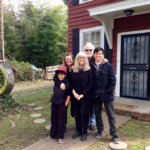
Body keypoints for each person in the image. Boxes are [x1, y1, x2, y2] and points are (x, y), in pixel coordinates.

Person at [91, 47, 119, 144]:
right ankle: (100, 130)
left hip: (107, 95)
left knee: (110, 115)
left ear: (103, 55)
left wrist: (109, 91)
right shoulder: (91, 66)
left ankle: (114, 135)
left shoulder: (108, 65)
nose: (98, 55)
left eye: (100, 53)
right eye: (96, 53)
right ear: (94, 55)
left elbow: (113, 80)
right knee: (98, 114)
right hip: (96, 95)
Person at [71, 52, 93, 141]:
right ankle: (78, 130)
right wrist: (75, 94)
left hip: (85, 96)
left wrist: (82, 94)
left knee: (85, 114)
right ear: (77, 59)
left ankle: (84, 132)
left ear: (85, 60)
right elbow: (71, 83)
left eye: (83, 58)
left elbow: (90, 83)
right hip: (75, 96)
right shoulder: (74, 70)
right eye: (79, 58)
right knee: (77, 114)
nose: (81, 60)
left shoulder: (89, 70)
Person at [47, 66, 70, 144]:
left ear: (65, 75)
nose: (61, 76)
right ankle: (52, 134)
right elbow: (54, 92)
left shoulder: (66, 83)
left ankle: (60, 136)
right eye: (59, 74)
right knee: (53, 119)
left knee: (61, 120)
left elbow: (68, 95)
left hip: (62, 104)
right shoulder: (56, 82)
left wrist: (66, 104)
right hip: (54, 103)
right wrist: (51, 101)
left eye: (62, 74)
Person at [83, 42, 96, 131]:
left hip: (94, 88)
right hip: (85, 88)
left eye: (90, 50)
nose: (88, 51)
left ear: (93, 51)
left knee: (94, 106)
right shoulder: (82, 60)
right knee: (86, 105)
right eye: (86, 50)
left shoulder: (97, 59)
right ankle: (87, 122)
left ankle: (93, 122)